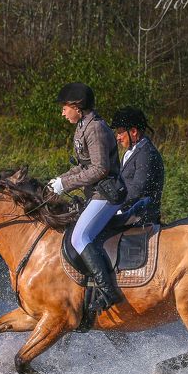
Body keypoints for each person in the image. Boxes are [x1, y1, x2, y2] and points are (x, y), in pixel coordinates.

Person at [48, 82, 125, 312]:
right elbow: (84, 167)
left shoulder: (95, 129)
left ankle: (109, 291)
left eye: (65, 107)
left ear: (77, 106)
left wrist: (67, 184)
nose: (62, 112)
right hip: (95, 194)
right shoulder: (83, 125)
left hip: (106, 194)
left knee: (80, 237)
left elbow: (100, 169)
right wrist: (58, 182)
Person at [110, 106, 164, 225]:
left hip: (141, 215)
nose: (117, 138)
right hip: (128, 208)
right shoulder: (133, 150)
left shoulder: (146, 153)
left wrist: (111, 207)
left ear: (133, 131)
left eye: (120, 133)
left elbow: (138, 189)